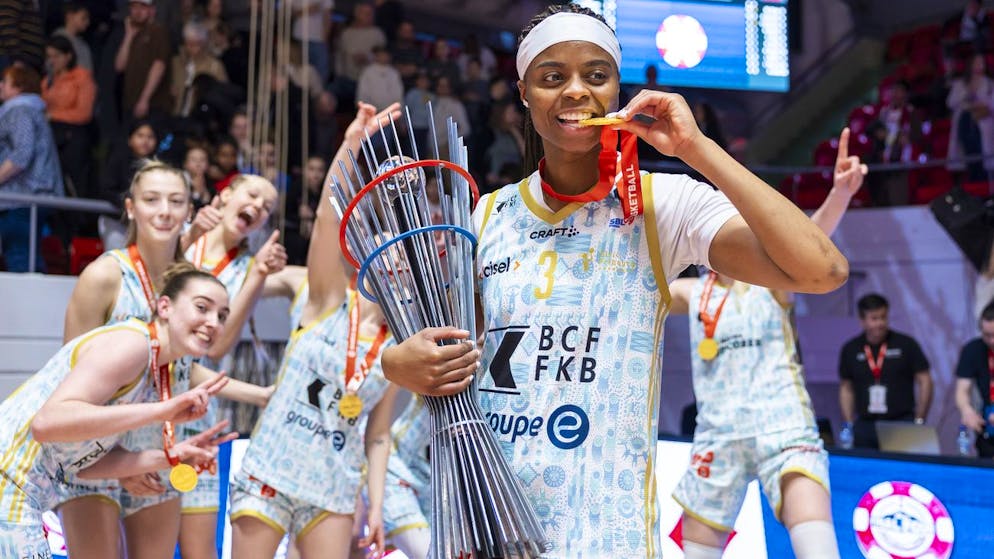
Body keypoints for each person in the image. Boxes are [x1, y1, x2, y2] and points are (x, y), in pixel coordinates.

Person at [380, 4, 848, 557]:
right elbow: (451, 355)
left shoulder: (664, 204)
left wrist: (697, 150)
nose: (575, 90)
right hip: (486, 524)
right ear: (525, 94)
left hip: (606, 537)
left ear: (616, 90)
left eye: (595, 75)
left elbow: (821, 271)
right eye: (553, 77)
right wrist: (397, 362)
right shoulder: (486, 216)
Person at [57, 161, 279, 559]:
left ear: (189, 210)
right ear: (130, 208)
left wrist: (258, 395)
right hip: (95, 455)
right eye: (151, 199)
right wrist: (116, 463)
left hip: (158, 453)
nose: (164, 210)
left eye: (175, 200)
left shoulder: (191, 282)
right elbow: (69, 378)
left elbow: (181, 367)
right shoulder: (105, 275)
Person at [667, 128, 866, 559]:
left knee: (816, 546)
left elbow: (812, 242)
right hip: (718, 434)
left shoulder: (773, 285)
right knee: (695, 550)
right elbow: (643, 288)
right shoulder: (693, 293)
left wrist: (840, 195)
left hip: (783, 428)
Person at [229, 103, 402, 559]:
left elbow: (379, 434)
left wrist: (378, 506)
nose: (399, 263)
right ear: (371, 257)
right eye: (392, 250)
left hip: (335, 486)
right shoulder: (327, 299)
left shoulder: (400, 346)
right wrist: (351, 145)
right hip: (270, 469)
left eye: (410, 257)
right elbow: (328, 221)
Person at [0, 263, 238, 559]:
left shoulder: (151, 368)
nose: (213, 322)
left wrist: (170, 456)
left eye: (222, 316)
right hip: (10, 483)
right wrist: (159, 411)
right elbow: (47, 423)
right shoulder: (132, 344)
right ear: (164, 307)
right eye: (202, 307)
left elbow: (85, 464)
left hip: (27, 492)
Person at [175, 174, 285, 559]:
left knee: (200, 549)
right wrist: (185, 237)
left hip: (198, 417)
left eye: (268, 207)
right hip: (147, 409)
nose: (259, 205)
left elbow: (218, 347)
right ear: (225, 194)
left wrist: (258, 276)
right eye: (253, 194)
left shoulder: (244, 268)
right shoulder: (178, 234)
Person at [838, 293, 933, 450]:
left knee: (903, 471)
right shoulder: (851, 349)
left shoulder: (906, 344)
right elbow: (846, 388)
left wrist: (920, 419)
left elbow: (925, 380)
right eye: (874, 318)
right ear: (862, 321)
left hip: (901, 422)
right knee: (865, 470)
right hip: (865, 424)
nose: (880, 323)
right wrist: (849, 423)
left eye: (883, 317)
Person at [0, 64, 64, 273]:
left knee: (21, 257)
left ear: (19, 87)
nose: (0, 85)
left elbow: (21, 154)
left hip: (24, 196)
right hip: (32, 197)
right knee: (29, 257)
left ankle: (24, 305)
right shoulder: (33, 110)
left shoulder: (20, 110)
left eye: (5, 82)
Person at [42, 35, 97, 199]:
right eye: (49, 56)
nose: (52, 61)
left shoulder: (82, 77)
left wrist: (53, 115)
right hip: (52, 135)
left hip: (73, 136)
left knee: (74, 183)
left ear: (68, 56)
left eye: (56, 56)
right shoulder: (49, 79)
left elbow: (84, 113)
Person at [114, 0, 172, 123]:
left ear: (152, 10)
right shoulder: (131, 33)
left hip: (153, 104)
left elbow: (159, 65)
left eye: (143, 7)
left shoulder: (158, 31)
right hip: (131, 101)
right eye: (134, 7)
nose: (138, 11)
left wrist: (144, 99)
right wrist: (129, 36)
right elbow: (119, 66)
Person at [955, 301, 994, 458]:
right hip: (987, 431)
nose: (992, 341)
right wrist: (967, 410)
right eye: (987, 335)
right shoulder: (973, 349)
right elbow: (962, 389)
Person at [946, 54, 994, 181]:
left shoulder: (989, 84)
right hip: (965, 122)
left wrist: (981, 105)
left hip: (982, 123)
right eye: (976, 62)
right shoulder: (960, 84)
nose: (979, 65)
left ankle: (985, 184)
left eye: (981, 63)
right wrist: (966, 98)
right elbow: (951, 102)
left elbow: (991, 104)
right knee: (968, 155)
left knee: (983, 155)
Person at [53, 2, 93, 72]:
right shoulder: (58, 38)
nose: (88, 22)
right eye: (84, 18)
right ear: (70, 16)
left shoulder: (83, 44)